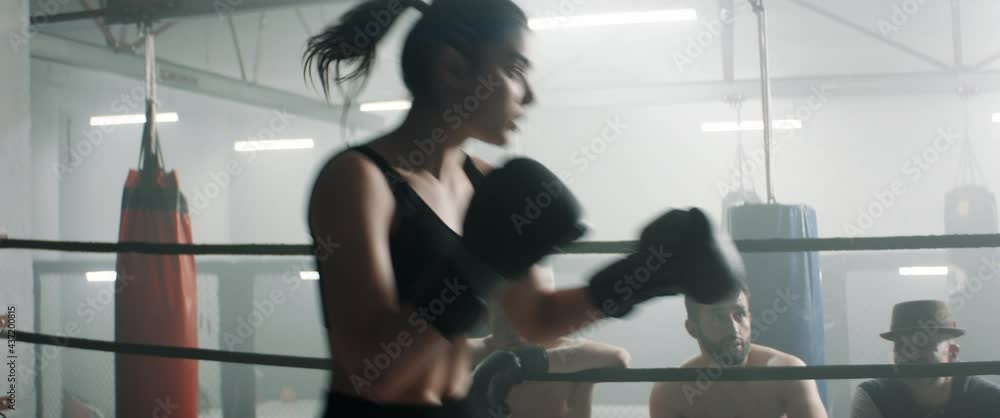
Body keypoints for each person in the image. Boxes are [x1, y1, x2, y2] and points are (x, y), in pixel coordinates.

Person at [303, 0, 746, 417]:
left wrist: (641, 277)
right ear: (452, 69)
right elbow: (374, 373)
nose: (529, 95)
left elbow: (536, 320)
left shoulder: (489, 183)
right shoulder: (357, 179)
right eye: (514, 69)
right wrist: (476, 268)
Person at [649, 281, 827, 418]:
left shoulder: (788, 373)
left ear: (750, 319)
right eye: (717, 317)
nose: (733, 328)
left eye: (739, 314)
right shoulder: (671, 392)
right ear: (692, 329)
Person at [468, 270, 631, 418]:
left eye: (531, 316)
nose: (518, 329)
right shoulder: (477, 351)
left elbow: (619, 359)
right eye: (508, 316)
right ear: (486, 317)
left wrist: (530, 362)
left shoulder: (570, 351)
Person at [849, 299, 1000, 418]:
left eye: (924, 344)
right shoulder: (875, 396)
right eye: (903, 346)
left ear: (952, 352)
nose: (912, 354)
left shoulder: (990, 398)